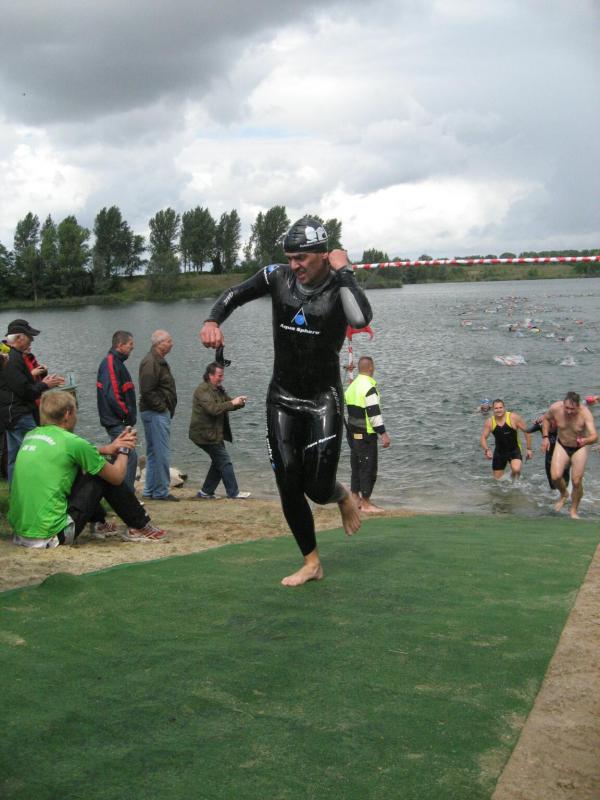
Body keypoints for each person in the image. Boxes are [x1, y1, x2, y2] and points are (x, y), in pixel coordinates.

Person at [200, 215, 372, 587]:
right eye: (290, 257)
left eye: (301, 258)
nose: (294, 266)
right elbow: (235, 294)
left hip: (322, 399)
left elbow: (360, 319)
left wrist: (345, 271)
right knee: (288, 482)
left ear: (323, 255)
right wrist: (213, 320)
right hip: (282, 397)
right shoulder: (276, 276)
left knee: (317, 488)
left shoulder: (338, 287)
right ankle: (312, 562)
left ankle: (341, 494)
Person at [8, 391, 167, 547]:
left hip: (21, 534)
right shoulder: (73, 442)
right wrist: (125, 449)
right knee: (101, 474)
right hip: (54, 536)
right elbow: (117, 477)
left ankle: (99, 523)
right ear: (68, 414)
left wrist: (108, 448)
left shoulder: (31, 436)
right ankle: (140, 526)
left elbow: (70, 452)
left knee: (82, 466)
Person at [0, 319, 64, 482]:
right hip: (19, 415)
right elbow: (25, 391)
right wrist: (45, 385)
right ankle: (43, 487)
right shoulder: (12, 358)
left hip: (10, 414)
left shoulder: (9, 355)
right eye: (29, 337)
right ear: (19, 338)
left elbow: (21, 386)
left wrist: (43, 382)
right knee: (39, 452)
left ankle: (16, 493)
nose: (32, 340)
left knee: (15, 458)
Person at [189, 362, 250, 499]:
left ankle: (205, 492)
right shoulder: (202, 390)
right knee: (224, 461)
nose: (222, 378)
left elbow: (227, 403)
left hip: (214, 433)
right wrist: (232, 403)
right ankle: (233, 493)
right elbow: (213, 409)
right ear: (210, 375)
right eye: (219, 376)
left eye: (222, 375)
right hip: (203, 434)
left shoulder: (218, 389)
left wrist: (239, 402)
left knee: (218, 462)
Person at [344, 356, 391, 512]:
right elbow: (373, 413)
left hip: (353, 434)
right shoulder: (369, 387)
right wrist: (383, 433)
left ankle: (355, 497)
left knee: (356, 466)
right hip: (366, 435)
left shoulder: (352, 386)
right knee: (368, 468)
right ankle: (365, 503)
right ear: (371, 367)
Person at [542, 391, 598, 518]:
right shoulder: (556, 408)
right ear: (563, 404)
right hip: (562, 444)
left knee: (576, 481)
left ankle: (573, 510)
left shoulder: (585, 414)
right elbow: (546, 418)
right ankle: (564, 494)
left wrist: (585, 440)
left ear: (578, 406)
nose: (568, 411)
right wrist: (545, 437)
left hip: (580, 447)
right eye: (566, 408)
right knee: (555, 477)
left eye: (572, 409)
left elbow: (595, 437)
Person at [139, 330, 178, 501]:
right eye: (169, 341)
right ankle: (161, 491)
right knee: (161, 452)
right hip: (155, 413)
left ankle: (150, 490)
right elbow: (147, 390)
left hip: (154, 412)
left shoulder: (156, 360)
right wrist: (162, 407)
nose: (171, 344)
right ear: (159, 344)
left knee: (154, 453)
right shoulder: (151, 362)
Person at [97, 330, 138, 491]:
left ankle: (113, 494)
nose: (132, 348)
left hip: (118, 420)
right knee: (129, 456)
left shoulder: (117, 363)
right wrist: (126, 416)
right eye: (130, 345)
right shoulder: (110, 363)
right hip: (116, 421)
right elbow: (113, 394)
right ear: (120, 345)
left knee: (120, 456)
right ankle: (126, 497)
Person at [480, 399, 532, 480]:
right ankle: (510, 481)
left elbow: (527, 432)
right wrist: (487, 450)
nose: (499, 410)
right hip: (499, 453)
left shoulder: (513, 417)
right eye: (496, 408)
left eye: (500, 407)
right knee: (497, 481)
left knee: (516, 469)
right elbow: (483, 438)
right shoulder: (490, 422)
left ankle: (514, 482)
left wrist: (529, 448)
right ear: (492, 409)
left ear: (504, 408)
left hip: (514, 450)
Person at [527, 413, 570, 492]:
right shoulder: (542, 425)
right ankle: (554, 495)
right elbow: (527, 431)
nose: (553, 422)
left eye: (555, 420)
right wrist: (529, 448)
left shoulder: (562, 425)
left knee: (565, 478)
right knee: (552, 483)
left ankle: (565, 493)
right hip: (550, 456)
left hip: (563, 455)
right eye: (550, 420)